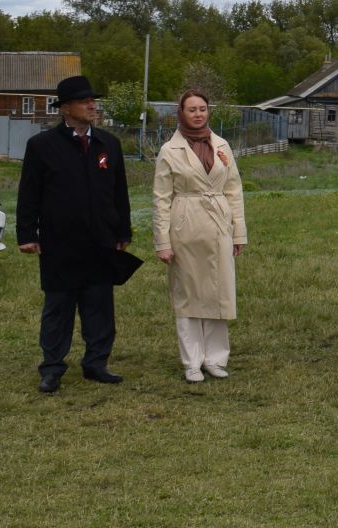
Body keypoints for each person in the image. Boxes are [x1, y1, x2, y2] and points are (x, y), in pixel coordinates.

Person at [17, 74, 133, 394]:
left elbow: (119, 193)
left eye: (92, 100)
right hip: (60, 242)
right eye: (84, 101)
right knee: (59, 307)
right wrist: (27, 233)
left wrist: (122, 230)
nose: (92, 105)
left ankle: (96, 363)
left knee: (99, 306)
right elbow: (29, 194)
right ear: (66, 108)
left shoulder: (108, 144)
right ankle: (52, 368)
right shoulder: (42, 146)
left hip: (100, 241)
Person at [153, 88, 247, 383]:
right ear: (181, 113)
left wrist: (238, 233)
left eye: (202, 109)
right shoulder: (170, 150)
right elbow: (160, 198)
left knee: (218, 293)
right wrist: (163, 242)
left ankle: (216, 358)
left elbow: (234, 189)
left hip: (219, 224)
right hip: (186, 225)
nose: (198, 114)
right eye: (191, 109)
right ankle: (192, 361)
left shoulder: (222, 146)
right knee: (189, 295)